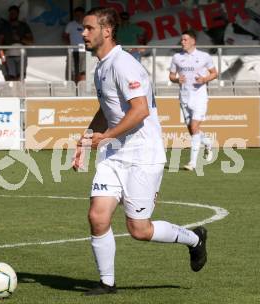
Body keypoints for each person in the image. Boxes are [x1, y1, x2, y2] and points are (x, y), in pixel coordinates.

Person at [73, 7, 208, 296]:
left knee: (140, 230)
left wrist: (106, 136)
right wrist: (85, 139)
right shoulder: (102, 66)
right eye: (82, 28)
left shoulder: (124, 64)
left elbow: (140, 111)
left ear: (106, 31)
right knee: (98, 216)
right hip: (115, 157)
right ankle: (107, 283)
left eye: (88, 28)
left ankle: (194, 239)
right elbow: (107, 108)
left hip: (143, 155)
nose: (83, 33)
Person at [169, 29, 218, 171]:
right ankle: (208, 143)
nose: (182, 42)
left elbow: (214, 73)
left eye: (185, 40)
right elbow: (171, 76)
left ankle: (193, 163)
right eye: (182, 40)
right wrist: (177, 79)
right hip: (184, 96)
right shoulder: (177, 57)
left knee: (195, 127)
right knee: (192, 130)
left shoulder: (204, 56)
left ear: (193, 41)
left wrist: (204, 79)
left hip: (200, 96)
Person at [0, 5, 34, 81]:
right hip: (9, 55)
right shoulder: (4, 26)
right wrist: (2, 57)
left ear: (18, 14)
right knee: (11, 78)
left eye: (14, 13)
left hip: (21, 54)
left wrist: (20, 38)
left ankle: (20, 92)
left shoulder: (24, 25)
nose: (12, 15)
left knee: (21, 77)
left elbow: (31, 42)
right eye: (11, 13)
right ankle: (14, 92)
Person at [63, 6, 86, 82]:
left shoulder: (87, 24)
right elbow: (64, 36)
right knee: (73, 71)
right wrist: (70, 45)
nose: (78, 17)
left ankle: (81, 89)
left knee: (83, 70)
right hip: (73, 51)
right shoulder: (71, 24)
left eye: (80, 15)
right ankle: (74, 89)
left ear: (83, 14)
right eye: (76, 15)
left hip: (84, 51)